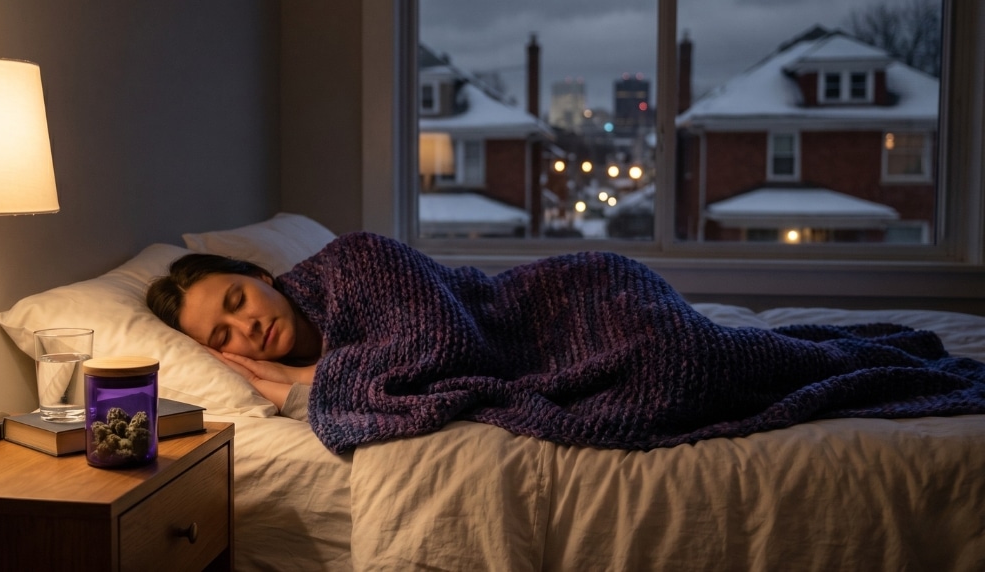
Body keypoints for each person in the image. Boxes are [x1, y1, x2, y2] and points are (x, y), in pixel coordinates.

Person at [150, 232, 985, 454]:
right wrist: (288, 384)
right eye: (222, 335)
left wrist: (301, 388)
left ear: (256, 274)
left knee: (685, 361)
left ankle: (894, 358)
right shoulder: (310, 368)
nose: (244, 323)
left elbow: (442, 346)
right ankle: (876, 356)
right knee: (683, 372)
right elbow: (408, 390)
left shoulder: (355, 259)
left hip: (577, 297)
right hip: (562, 351)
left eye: (236, 298)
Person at [147, 253, 319, 421]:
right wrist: (257, 383)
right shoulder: (271, 375)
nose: (248, 327)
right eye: (224, 336)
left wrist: (297, 376)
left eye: (239, 301)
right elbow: (338, 412)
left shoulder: (338, 273)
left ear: (260, 277)